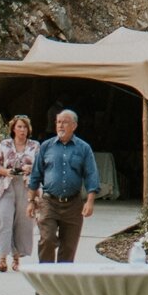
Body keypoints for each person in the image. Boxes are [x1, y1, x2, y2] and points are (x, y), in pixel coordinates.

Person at [28, 109, 100, 263]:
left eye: (65, 122)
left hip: (73, 205)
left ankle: (62, 278)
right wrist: (31, 201)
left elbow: (91, 175)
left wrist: (90, 202)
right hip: (49, 202)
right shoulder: (46, 146)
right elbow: (35, 175)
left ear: (74, 126)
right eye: (58, 122)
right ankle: (46, 277)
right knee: (47, 239)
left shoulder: (84, 148)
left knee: (68, 247)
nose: (60, 125)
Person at [0, 115, 38, 272]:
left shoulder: (35, 146)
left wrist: (30, 168)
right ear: (13, 129)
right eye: (19, 127)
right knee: (4, 219)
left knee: (22, 222)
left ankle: (16, 257)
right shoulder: (4, 145)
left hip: (25, 186)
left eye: (25, 127)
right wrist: (7, 171)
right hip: (6, 186)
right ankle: (2, 259)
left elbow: (41, 166)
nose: (22, 130)